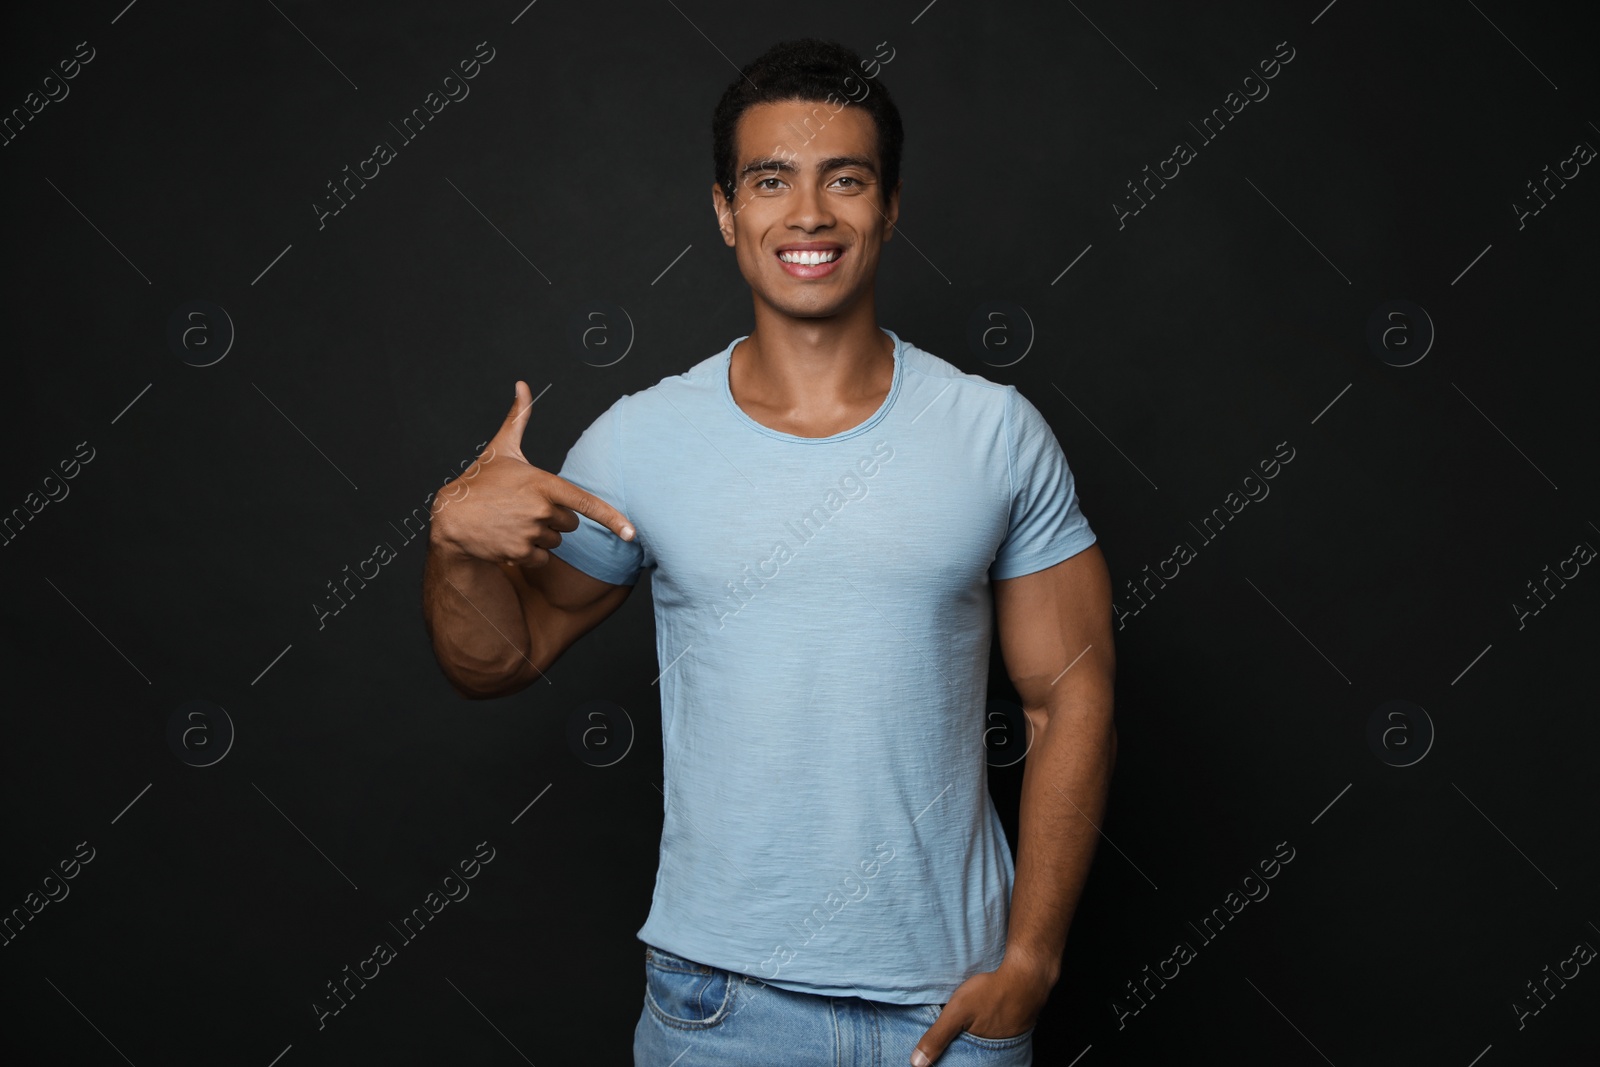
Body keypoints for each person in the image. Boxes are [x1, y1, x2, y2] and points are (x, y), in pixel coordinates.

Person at [421, 37, 1116, 1067]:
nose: (807, 214)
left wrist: (1033, 960)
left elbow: (1073, 694)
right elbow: (501, 657)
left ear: (887, 207)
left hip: (951, 1010)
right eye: (769, 180)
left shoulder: (993, 432)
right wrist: (454, 542)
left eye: (846, 179)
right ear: (725, 211)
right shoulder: (640, 440)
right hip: (721, 1013)